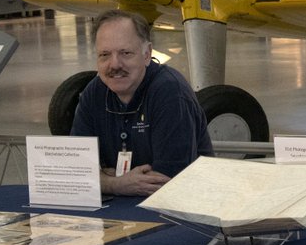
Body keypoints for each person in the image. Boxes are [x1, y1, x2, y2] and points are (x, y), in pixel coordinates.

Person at [71, 10, 213, 195]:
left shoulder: (170, 93)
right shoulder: (94, 92)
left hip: (183, 211)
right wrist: (117, 184)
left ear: (147, 54)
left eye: (126, 53)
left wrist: (102, 179)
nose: (114, 64)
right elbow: (74, 173)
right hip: (121, 212)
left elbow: (166, 184)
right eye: (104, 55)